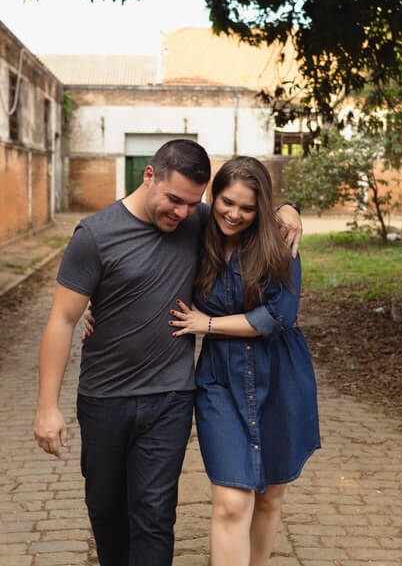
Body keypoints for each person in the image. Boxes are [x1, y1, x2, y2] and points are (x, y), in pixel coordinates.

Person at [32, 140, 302, 566]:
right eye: (174, 200)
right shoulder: (95, 235)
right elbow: (62, 319)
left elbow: (252, 209)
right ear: (149, 175)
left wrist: (290, 209)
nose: (180, 212)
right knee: (106, 510)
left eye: (192, 204)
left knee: (155, 515)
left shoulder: (200, 221)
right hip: (104, 397)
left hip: (170, 398)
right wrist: (47, 406)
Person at [167, 156, 320, 566]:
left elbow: (277, 316)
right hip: (221, 380)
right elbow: (145, 242)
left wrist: (210, 324)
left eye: (248, 208)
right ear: (213, 197)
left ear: (262, 208)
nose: (234, 214)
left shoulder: (280, 242)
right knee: (232, 502)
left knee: (269, 496)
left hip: (281, 376)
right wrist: (96, 304)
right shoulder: (198, 230)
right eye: (226, 202)